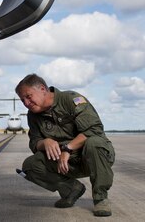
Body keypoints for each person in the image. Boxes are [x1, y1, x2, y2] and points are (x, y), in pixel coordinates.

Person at [15, 74, 115, 217]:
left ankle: (101, 198)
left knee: (94, 143)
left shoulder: (71, 99)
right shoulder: (32, 115)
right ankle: (71, 190)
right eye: (22, 100)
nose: (26, 102)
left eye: (28, 96)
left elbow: (94, 129)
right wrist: (45, 142)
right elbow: (34, 142)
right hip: (66, 164)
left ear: (43, 89)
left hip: (93, 157)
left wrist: (68, 148)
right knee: (31, 165)